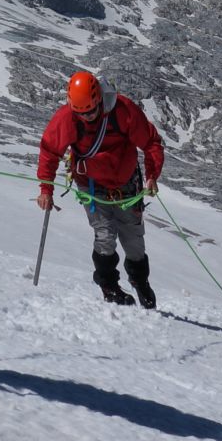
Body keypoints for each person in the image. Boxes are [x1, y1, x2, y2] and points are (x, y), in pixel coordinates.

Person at [35, 70, 166, 307]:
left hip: (127, 184)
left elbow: (151, 142)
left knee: (134, 240)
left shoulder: (123, 110)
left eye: (90, 112)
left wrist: (152, 176)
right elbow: (49, 151)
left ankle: (140, 281)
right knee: (105, 236)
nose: (86, 117)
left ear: (99, 101)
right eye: (80, 113)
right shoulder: (67, 118)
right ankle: (109, 286)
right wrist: (46, 189)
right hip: (92, 184)